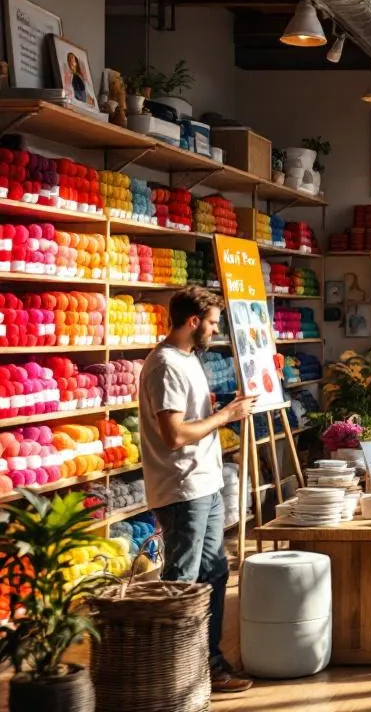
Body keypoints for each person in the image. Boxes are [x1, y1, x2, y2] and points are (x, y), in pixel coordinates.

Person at [140, 287, 256, 694]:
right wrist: (225, 416)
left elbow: (192, 418)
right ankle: (171, 672)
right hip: (182, 485)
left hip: (204, 481)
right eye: (212, 323)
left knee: (215, 573)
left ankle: (207, 662)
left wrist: (224, 410)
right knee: (182, 580)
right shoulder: (165, 365)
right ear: (193, 322)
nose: (215, 329)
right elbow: (173, 436)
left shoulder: (189, 359)